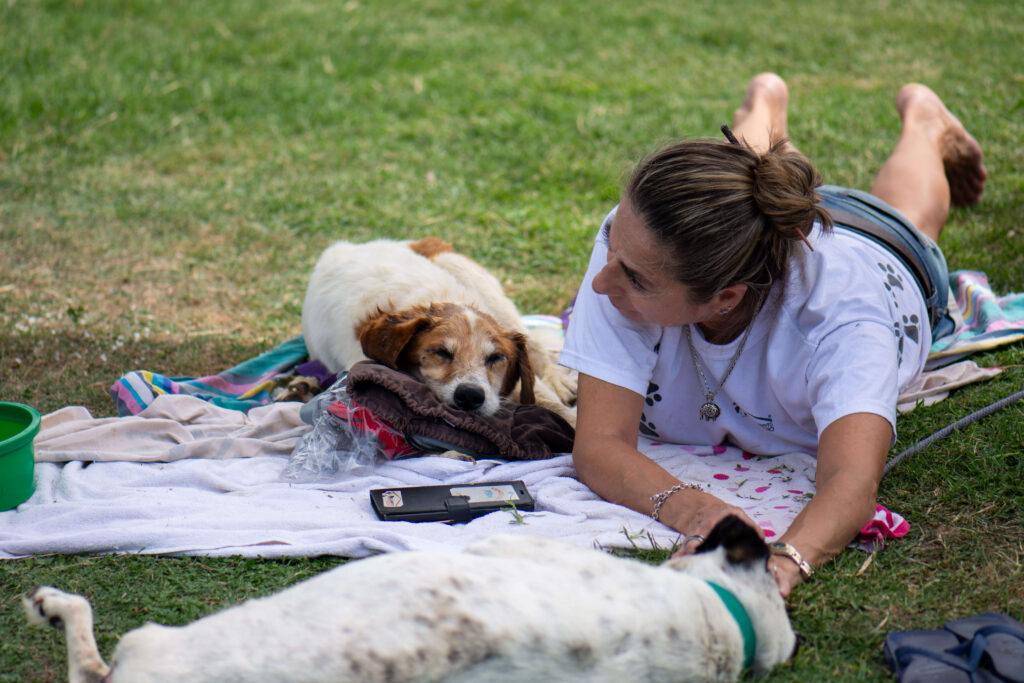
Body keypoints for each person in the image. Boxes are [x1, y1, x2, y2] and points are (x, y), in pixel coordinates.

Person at [560, 73, 987, 596]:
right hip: (762, 216)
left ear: (725, 299)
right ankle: (764, 117)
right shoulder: (640, 237)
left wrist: (784, 563)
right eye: (611, 247)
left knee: (910, 213)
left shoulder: (844, 319)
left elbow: (851, 483)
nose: (599, 284)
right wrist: (700, 512)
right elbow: (599, 444)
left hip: (883, 246)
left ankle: (923, 121)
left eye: (635, 280)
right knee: (751, 180)